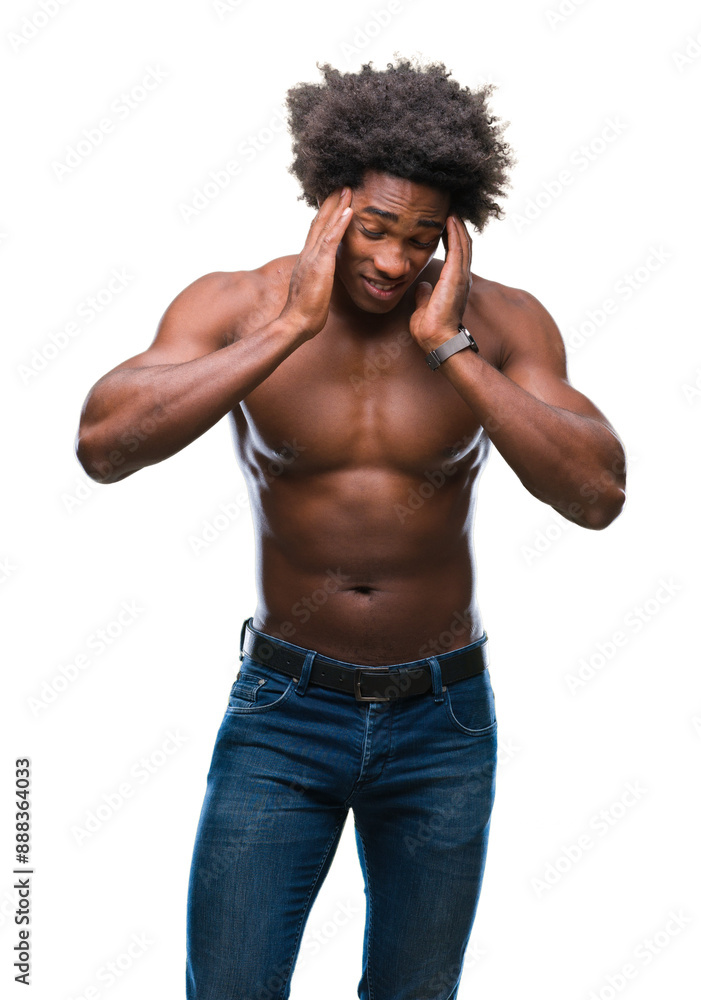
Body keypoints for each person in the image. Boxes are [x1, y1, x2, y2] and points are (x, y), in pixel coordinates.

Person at [75, 57, 626, 1000]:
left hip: (444, 719)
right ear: (330, 204)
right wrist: (288, 328)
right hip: (285, 712)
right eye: (373, 228)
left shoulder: (501, 323)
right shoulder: (237, 304)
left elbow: (595, 494)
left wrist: (451, 350)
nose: (390, 261)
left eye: (420, 238)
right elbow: (103, 444)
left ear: (454, 234)